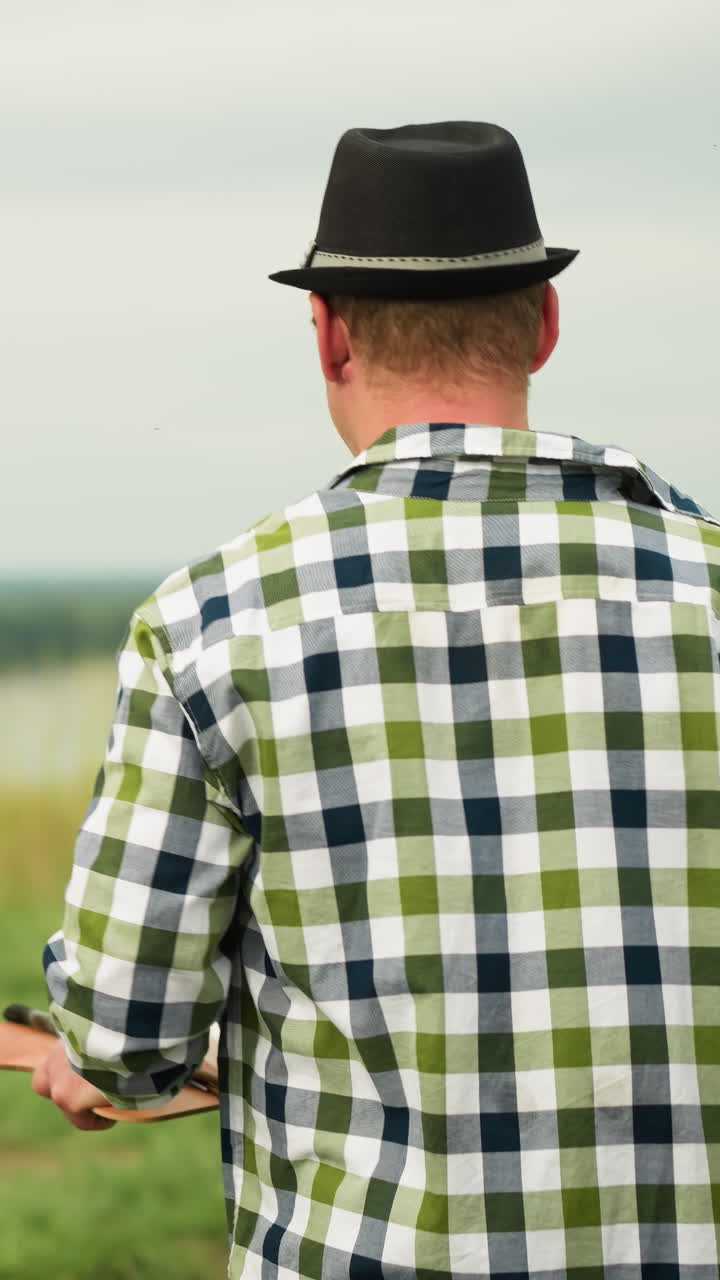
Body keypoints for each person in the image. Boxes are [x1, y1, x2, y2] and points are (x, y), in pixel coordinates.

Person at [33, 122, 720, 1277]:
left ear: (329, 332)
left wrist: (98, 1054)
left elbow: (123, 1033)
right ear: (545, 323)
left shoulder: (211, 621)